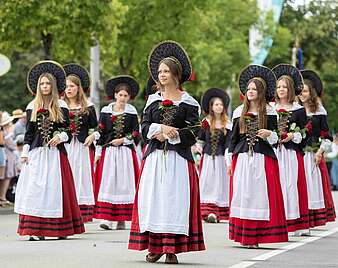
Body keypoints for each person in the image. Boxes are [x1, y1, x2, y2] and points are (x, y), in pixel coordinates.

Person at [128, 41, 205, 264]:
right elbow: (143, 129)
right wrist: (159, 129)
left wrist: (174, 134)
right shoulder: (152, 100)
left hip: (178, 159)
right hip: (154, 157)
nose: (161, 75)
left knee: (175, 200)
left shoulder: (189, 102)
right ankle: (155, 245)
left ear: (175, 74)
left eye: (166, 71)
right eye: (159, 72)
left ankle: (172, 247)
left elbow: (193, 131)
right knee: (154, 200)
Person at [14, 61, 85, 241]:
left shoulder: (61, 105)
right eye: (42, 84)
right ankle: (35, 230)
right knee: (35, 190)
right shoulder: (32, 106)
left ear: (53, 86)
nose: (45, 86)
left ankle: (58, 229)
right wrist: (25, 152)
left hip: (55, 154)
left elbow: (68, 130)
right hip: (37, 153)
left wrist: (60, 136)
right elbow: (29, 134)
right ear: (38, 86)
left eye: (47, 84)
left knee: (55, 189)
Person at [228, 64, 288, 248]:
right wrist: (229, 160)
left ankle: (257, 237)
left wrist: (268, 134)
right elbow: (233, 139)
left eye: (254, 89)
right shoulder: (239, 112)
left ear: (261, 91)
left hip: (263, 159)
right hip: (243, 158)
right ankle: (244, 235)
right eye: (248, 89)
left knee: (259, 196)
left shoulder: (269, 112)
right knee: (243, 194)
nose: (250, 92)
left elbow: (278, 137)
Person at [94, 75, 140, 231]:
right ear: (115, 95)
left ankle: (122, 220)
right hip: (109, 153)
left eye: (125, 95)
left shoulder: (131, 112)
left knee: (124, 185)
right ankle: (107, 219)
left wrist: (123, 140)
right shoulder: (106, 111)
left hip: (125, 153)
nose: (122, 98)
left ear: (129, 97)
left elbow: (135, 133)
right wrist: (98, 152)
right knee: (109, 183)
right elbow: (100, 131)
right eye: (120, 94)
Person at [271, 64, 309, 234]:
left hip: (290, 152)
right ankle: (276, 221)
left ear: (291, 89)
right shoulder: (270, 108)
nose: (281, 89)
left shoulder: (299, 110)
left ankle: (291, 222)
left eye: (285, 87)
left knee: (290, 184)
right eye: (279, 86)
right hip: (273, 151)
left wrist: (293, 136)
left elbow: (304, 134)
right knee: (275, 184)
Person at [299, 69, 336, 229]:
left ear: (311, 92)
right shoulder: (295, 109)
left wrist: (320, 152)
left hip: (312, 154)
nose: (302, 94)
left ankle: (310, 220)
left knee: (311, 186)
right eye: (300, 91)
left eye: (305, 91)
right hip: (297, 153)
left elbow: (326, 136)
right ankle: (298, 220)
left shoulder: (319, 111)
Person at [63, 63, 98, 223]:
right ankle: (68, 210)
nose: (69, 89)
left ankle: (82, 212)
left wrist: (92, 136)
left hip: (82, 146)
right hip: (66, 145)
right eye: (67, 86)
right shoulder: (60, 106)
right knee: (67, 175)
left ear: (78, 88)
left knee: (81, 176)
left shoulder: (88, 106)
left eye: (72, 86)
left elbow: (96, 127)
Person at [197, 88, 232, 223]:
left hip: (220, 159)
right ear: (211, 107)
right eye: (216, 104)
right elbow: (200, 140)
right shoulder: (206, 123)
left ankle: (216, 212)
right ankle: (207, 211)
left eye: (221, 104)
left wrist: (228, 160)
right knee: (207, 183)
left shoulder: (227, 124)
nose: (218, 106)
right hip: (207, 158)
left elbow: (229, 144)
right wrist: (198, 150)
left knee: (219, 184)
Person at [0, 111, 17, 206]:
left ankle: (3, 197)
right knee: (6, 177)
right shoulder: (6, 132)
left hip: (8, 155)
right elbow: (11, 145)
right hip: (7, 156)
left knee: (6, 177)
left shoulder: (6, 131)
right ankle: (2, 197)